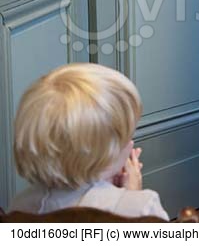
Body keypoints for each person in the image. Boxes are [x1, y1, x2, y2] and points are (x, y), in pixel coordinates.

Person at [10, 63, 169, 220]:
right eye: (128, 136)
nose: (131, 143)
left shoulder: (20, 206)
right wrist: (132, 196)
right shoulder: (143, 207)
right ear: (108, 153)